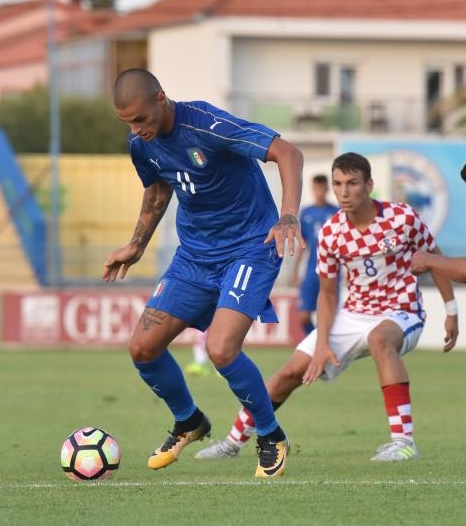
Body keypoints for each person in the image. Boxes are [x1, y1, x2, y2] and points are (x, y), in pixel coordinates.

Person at [103, 68, 305, 478]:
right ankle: (189, 421)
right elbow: (159, 186)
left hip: (250, 248)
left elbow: (288, 153)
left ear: (161, 99)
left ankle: (271, 435)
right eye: (127, 123)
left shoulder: (208, 125)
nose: (136, 130)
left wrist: (288, 215)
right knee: (142, 348)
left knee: (221, 349)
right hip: (195, 256)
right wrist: (137, 244)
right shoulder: (141, 143)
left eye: (140, 118)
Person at [195, 152, 458, 462]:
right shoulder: (331, 233)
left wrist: (451, 311)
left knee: (380, 339)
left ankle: (404, 442)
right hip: (353, 313)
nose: (344, 192)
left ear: (369, 185)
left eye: (352, 183)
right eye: (338, 184)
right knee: (290, 372)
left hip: (401, 310)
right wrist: (321, 344)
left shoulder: (403, 218)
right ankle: (232, 443)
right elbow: (328, 295)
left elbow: (436, 259)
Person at [292, 175, 338, 335]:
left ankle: (322, 345)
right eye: (316, 188)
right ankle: (315, 342)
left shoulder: (336, 212)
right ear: (312, 189)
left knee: (327, 318)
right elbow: (303, 243)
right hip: (311, 271)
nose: (319, 192)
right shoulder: (306, 212)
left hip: (331, 271)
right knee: (303, 317)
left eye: (322, 188)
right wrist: (296, 270)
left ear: (327, 189)